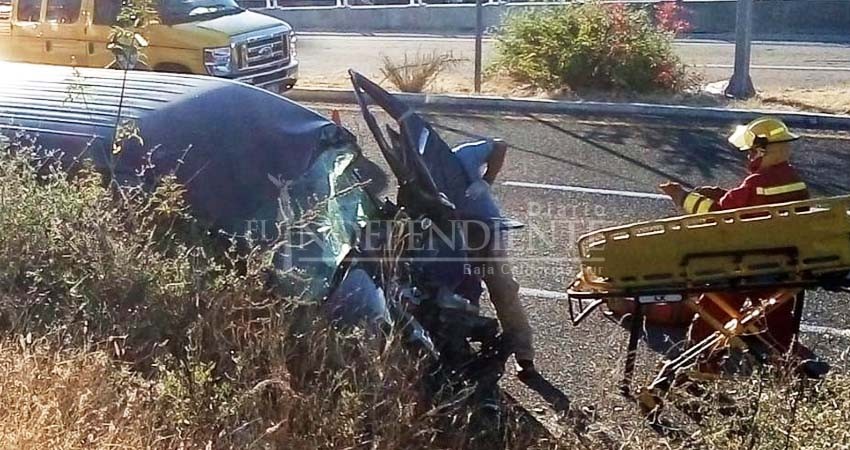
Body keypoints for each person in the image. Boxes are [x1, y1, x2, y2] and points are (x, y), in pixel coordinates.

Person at [658, 117, 820, 370]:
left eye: (751, 152)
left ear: (762, 150)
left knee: (712, 310)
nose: (748, 158)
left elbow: (718, 214)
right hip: (782, 266)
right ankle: (789, 360)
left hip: (747, 267)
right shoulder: (794, 181)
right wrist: (723, 194)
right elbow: (751, 208)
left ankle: (701, 362)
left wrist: (682, 197)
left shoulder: (757, 183)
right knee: (776, 318)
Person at [453, 138, 536, 377]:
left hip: (488, 228)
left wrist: (485, 181)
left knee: (503, 290)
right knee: (462, 293)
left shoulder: (461, 155)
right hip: (456, 237)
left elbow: (500, 145)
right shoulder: (423, 175)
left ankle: (524, 355)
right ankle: (465, 351)